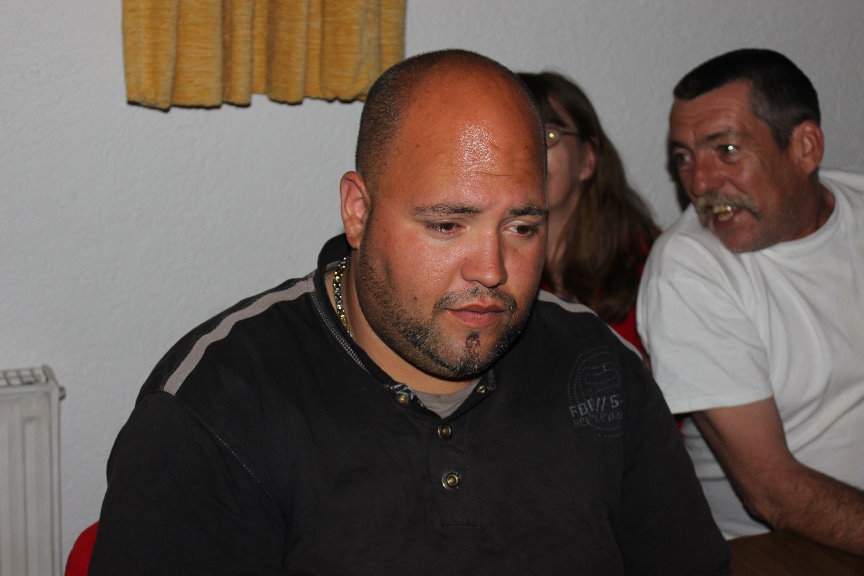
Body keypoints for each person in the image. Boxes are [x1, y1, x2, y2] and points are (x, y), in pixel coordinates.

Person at [89, 49, 730, 575]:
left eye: (522, 227)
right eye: (447, 225)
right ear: (358, 212)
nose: (491, 271)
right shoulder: (216, 407)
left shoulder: (600, 366)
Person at [637, 48, 864, 555]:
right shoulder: (689, 270)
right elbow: (772, 494)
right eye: (684, 157)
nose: (699, 183)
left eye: (727, 150)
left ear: (805, 147)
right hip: (774, 549)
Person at [517, 72, 659, 354]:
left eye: (548, 135)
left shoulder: (650, 264)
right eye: (514, 135)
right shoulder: (485, 269)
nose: (528, 150)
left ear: (588, 159)